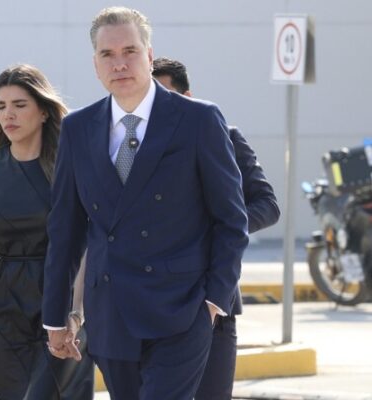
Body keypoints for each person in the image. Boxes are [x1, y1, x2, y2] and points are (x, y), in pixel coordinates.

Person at [42, 7, 249, 400]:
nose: (119, 64)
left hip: (182, 309)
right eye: (107, 54)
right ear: (95, 64)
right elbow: (65, 229)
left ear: (149, 56)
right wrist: (55, 317)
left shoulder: (199, 119)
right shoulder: (77, 128)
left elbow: (231, 220)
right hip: (110, 313)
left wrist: (213, 301)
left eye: (130, 51)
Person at [0, 64, 94, 400]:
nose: (8, 114)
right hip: (4, 312)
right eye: (1, 106)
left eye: (20, 105)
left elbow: (85, 249)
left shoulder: (72, 167)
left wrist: (75, 314)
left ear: (43, 112)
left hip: (62, 303)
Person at [153, 57, 280, 399]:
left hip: (213, 302)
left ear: (188, 97)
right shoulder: (128, 146)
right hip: (149, 306)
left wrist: (219, 228)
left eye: (166, 97)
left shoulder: (225, 136)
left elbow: (267, 205)